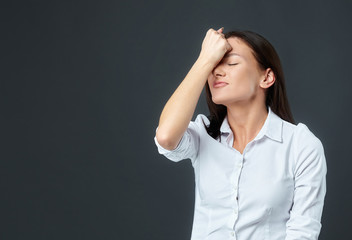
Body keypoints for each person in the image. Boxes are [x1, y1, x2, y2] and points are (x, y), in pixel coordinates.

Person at [153, 27, 327, 240]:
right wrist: (203, 60)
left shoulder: (301, 145)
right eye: (214, 64)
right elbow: (166, 138)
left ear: (267, 77)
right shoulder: (203, 135)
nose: (217, 71)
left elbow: (303, 233)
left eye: (232, 63)